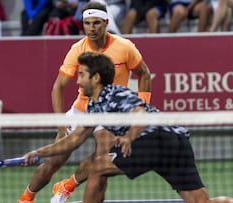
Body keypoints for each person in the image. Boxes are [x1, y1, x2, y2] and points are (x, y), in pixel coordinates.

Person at [23, 52, 233, 203]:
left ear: (95, 78)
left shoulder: (115, 93)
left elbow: (141, 115)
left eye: (81, 75)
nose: (77, 82)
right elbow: (73, 139)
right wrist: (38, 153)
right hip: (176, 140)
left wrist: (128, 137)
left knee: (98, 167)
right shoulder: (95, 106)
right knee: (200, 202)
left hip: (153, 138)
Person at [17, 1, 152, 203]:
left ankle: (68, 185)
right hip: (82, 109)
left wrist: (142, 106)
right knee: (54, 161)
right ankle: (26, 198)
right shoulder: (77, 49)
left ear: (106, 22)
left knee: (102, 158)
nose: (91, 28)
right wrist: (61, 123)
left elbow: (144, 74)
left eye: (96, 23)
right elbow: (58, 87)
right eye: (87, 23)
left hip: (110, 113)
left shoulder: (125, 47)